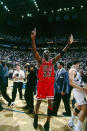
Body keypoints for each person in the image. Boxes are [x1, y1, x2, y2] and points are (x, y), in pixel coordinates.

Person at [31, 28, 74, 131]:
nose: (46, 53)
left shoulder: (53, 61)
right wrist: (33, 39)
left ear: (49, 55)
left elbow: (62, 53)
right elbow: (34, 50)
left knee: (51, 103)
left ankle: (48, 122)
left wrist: (68, 44)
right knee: (38, 102)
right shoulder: (39, 60)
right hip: (41, 84)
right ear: (43, 54)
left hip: (50, 85)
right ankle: (36, 116)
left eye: (48, 52)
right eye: (45, 52)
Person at [68, 60, 87, 131]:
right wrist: (82, 89)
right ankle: (78, 128)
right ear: (77, 64)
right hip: (78, 91)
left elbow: (78, 81)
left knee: (79, 107)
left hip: (80, 91)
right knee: (84, 109)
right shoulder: (72, 71)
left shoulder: (76, 71)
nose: (79, 66)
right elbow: (71, 83)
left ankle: (71, 122)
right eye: (79, 64)